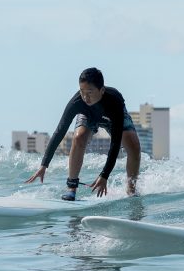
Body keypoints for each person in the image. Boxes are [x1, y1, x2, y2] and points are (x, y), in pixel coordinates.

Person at [25, 67, 141, 201]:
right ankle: (71, 188)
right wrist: (44, 165)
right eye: (82, 91)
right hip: (88, 115)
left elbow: (115, 142)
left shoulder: (114, 101)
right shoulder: (77, 102)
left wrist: (104, 175)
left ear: (101, 90)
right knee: (78, 137)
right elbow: (59, 132)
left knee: (133, 145)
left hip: (111, 116)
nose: (85, 97)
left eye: (90, 92)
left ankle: (131, 190)